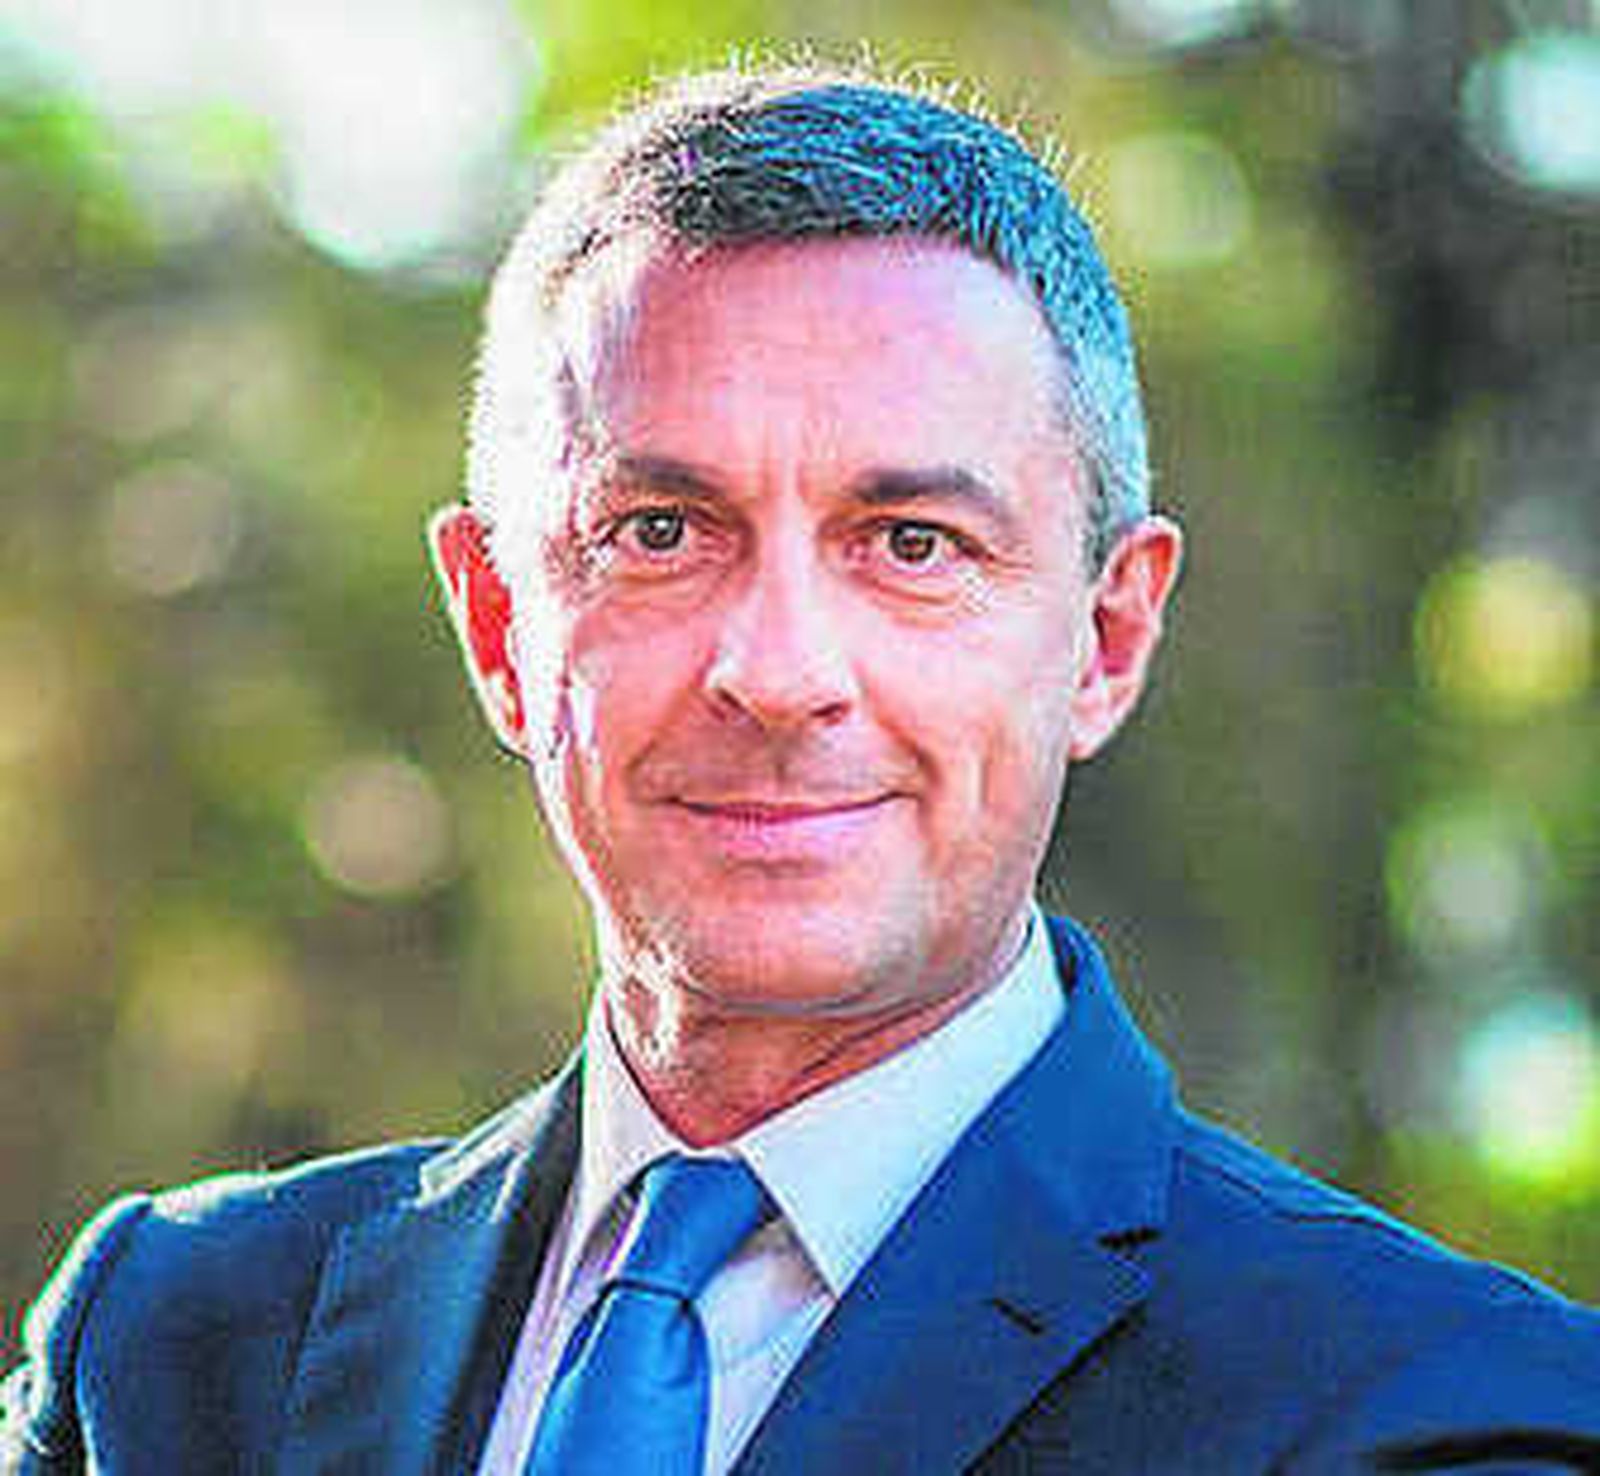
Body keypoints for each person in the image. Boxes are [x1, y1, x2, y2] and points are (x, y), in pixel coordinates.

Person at [4, 62, 1598, 1476]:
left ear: (1108, 638)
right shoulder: (163, 1352)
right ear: (497, 625)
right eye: (659, 532)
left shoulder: (1440, 1411)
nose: (776, 674)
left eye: (913, 543)